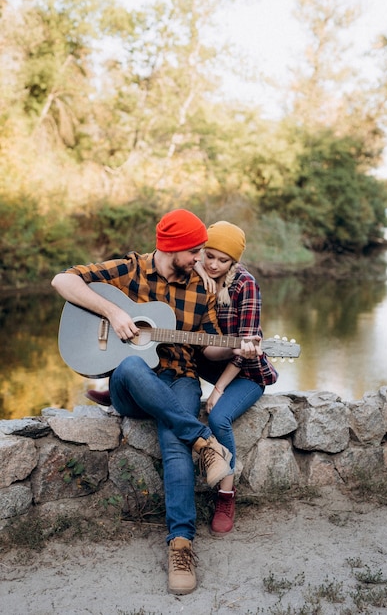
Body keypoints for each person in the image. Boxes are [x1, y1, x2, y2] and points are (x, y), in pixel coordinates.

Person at [51, 209, 258, 596]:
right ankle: (207, 443)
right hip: (131, 386)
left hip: (180, 378)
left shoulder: (201, 288)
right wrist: (113, 312)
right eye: (195, 250)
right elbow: (62, 279)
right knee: (130, 363)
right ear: (174, 247)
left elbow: (211, 346)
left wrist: (234, 348)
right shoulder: (130, 270)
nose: (201, 259)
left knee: (174, 445)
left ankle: (181, 544)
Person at [195, 221, 278, 537]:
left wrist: (218, 389)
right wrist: (200, 272)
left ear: (234, 261)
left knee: (218, 417)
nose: (214, 265)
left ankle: (226, 497)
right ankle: (130, 390)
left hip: (245, 372)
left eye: (222, 260)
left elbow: (245, 349)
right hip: (210, 359)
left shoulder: (246, 286)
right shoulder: (198, 274)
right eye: (209, 256)